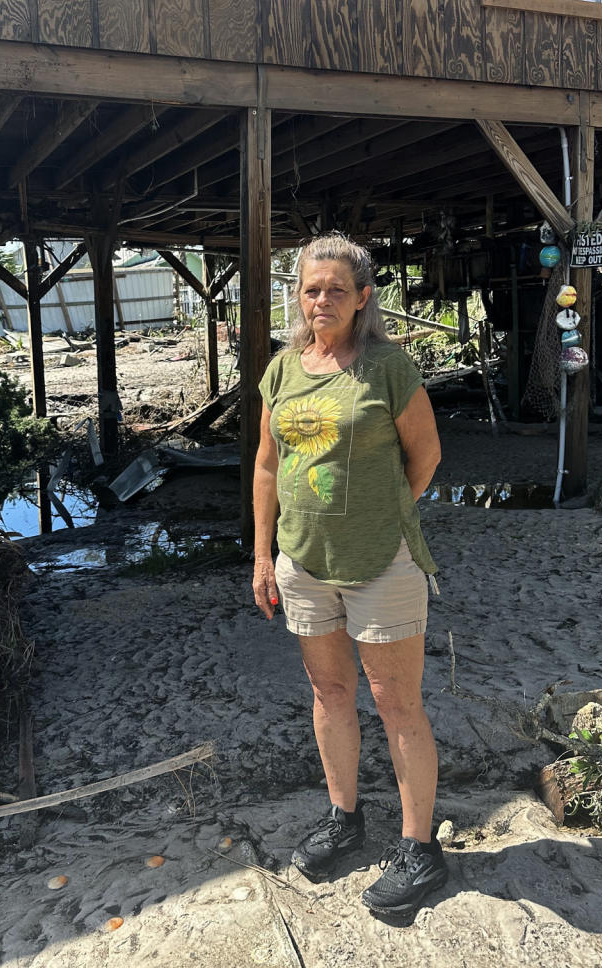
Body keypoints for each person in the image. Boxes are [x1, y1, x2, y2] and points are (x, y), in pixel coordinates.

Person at [252, 232, 447, 925]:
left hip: (381, 563)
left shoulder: (389, 367)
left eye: (336, 288)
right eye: (311, 288)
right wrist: (261, 555)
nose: (322, 300)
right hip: (302, 562)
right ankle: (345, 818)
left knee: (397, 703)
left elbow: (425, 455)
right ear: (298, 298)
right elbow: (268, 467)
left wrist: (383, 517)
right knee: (330, 692)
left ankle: (419, 847)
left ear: (363, 297)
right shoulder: (282, 369)